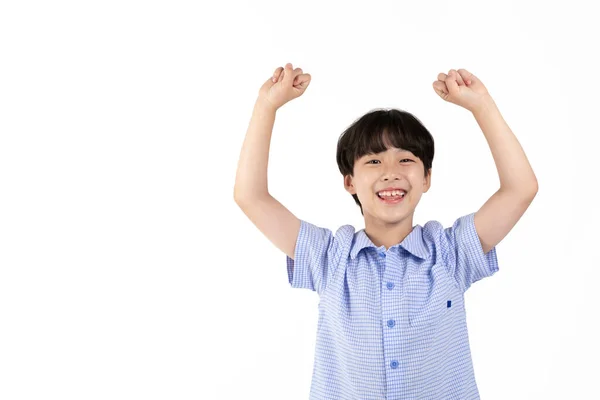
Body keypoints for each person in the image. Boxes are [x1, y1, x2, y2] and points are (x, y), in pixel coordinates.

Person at [233, 63, 538, 400]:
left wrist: (482, 105)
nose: (391, 172)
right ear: (349, 181)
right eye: (374, 161)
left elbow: (520, 189)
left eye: (405, 159)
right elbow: (251, 196)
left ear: (426, 178)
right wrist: (266, 105)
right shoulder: (330, 259)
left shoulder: (449, 254)